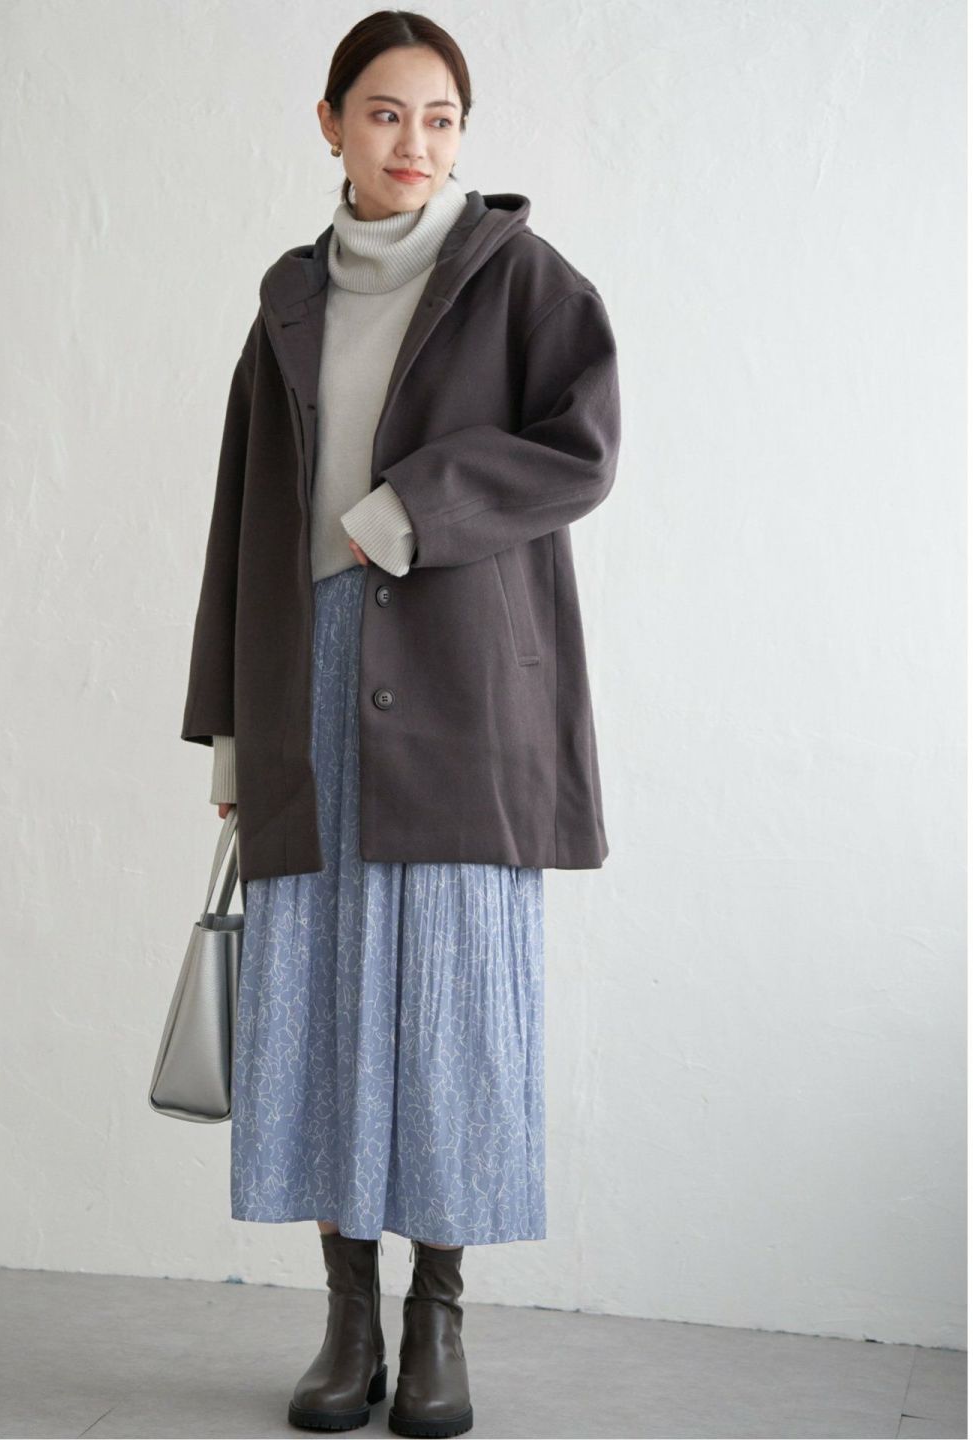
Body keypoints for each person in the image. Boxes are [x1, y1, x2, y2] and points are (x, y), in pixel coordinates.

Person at [183, 12, 621, 1436]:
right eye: (384, 113)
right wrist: (231, 731)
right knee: (316, 1002)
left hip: (462, 690)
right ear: (330, 124)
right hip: (305, 677)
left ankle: (438, 1320)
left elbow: (582, 450)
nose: (414, 143)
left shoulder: (519, 278)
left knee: (447, 1007)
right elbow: (244, 519)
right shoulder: (288, 300)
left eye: (440, 118)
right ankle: (347, 1323)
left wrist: (411, 509)